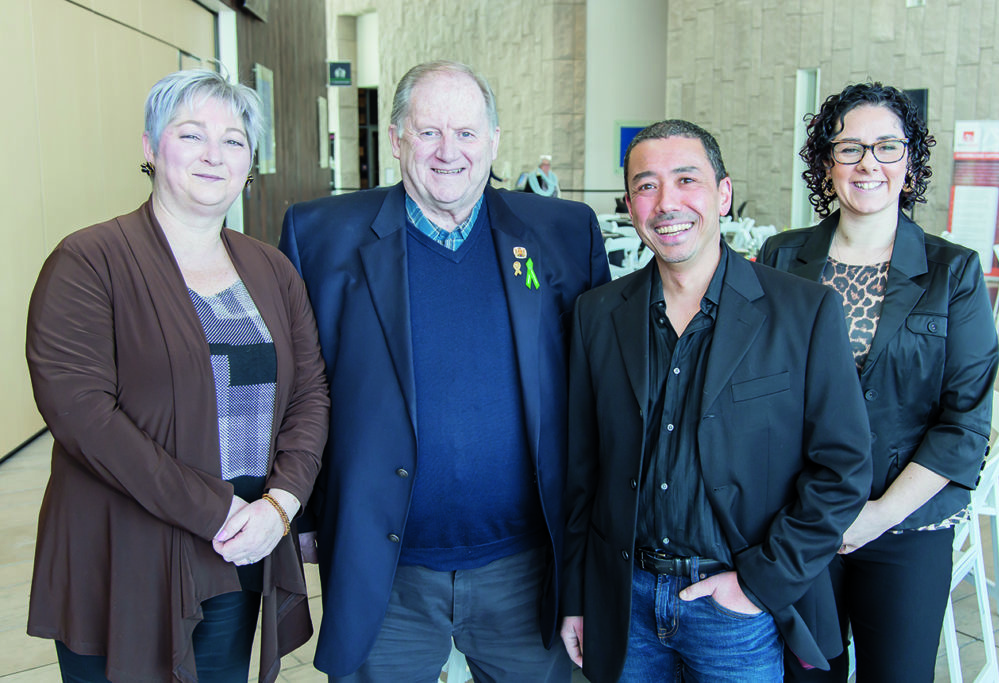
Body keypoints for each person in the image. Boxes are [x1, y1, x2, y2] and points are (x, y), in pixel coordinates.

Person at [279, 60, 610, 682]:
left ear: (494, 140)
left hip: (526, 568)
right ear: (398, 139)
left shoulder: (563, 234)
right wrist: (303, 512)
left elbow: (598, 395)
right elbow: (300, 389)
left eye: (466, 132)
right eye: (428, 132)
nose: (448, 152)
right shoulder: (320, 236)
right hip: (386, 571)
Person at [25, 69, 329, 682]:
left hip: (240, 548)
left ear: (250, 162)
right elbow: (84, 415)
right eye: (191, 135)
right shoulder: (88, 261)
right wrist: (216, 511)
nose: (214, 156)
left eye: (234, 141)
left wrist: (281, 504)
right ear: (150, 148)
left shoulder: (271, 269)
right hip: (123, 554)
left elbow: (309, 395)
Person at [559, 119, 874, 682]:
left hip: (736, 606)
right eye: (646, 185)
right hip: (624, 602)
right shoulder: (596, 315)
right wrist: (576, 594)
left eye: (687, 180)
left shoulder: (804, 313)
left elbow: (844, 467)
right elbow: (582, 471)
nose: (666, 203)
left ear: (723, 195)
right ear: (629, 203)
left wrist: (758, 584)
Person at [758, 83, 999, 682]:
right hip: (801, 519)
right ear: (825, 163)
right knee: (805, 675)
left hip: (908, 522)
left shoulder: (954, 272)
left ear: (911, 162)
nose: (869, 163)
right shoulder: (781, 259)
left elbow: (964, 425)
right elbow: (756, 393)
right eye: (850, 148)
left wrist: (875, 516)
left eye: (888, 147)